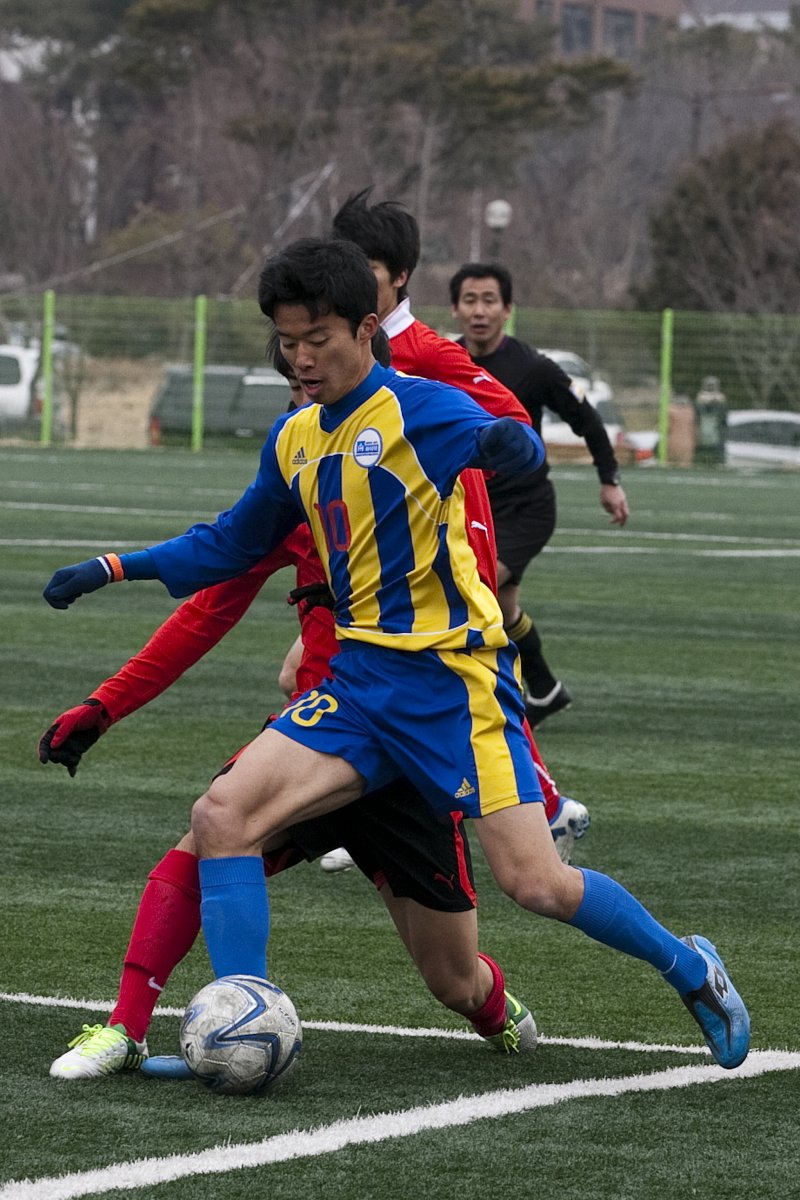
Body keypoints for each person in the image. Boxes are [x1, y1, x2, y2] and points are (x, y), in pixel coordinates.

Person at [43, 237, 750, 1074]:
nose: (300, 359)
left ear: (367, 327)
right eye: (287, 341)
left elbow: (509, 442)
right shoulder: (295, 437)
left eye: (318, 340)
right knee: (221, 816)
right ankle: (241, 1020)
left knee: (538, 885)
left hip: (458, 684)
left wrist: (508, 450)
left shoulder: (421, 408)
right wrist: (115, 567)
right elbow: (230, 544)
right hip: (363, 682)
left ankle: (690, 967)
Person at [42, 351, 538, 1080]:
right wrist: (103, 705)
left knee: (452, 980)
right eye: (295, 379)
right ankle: (128, 1027)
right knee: (205, 835)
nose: (307, 396)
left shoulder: (426, 473)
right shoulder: (298, 485)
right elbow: (207, 611)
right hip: (318, 733)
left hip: (405, 753)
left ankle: (494, 1011)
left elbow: (478, 638)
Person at [449, 262, 631, 726]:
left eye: (489, 300)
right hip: (474, 508)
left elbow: (586, 419)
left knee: (471, 594)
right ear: (455, 309)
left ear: (507, 309)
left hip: (526, 509)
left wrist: (608, 480)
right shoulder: (445, 363)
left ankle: (483, 705)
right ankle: (546, 690)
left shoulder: (532, 367)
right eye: (470, 300)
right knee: (505, 610)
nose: (479, 310)